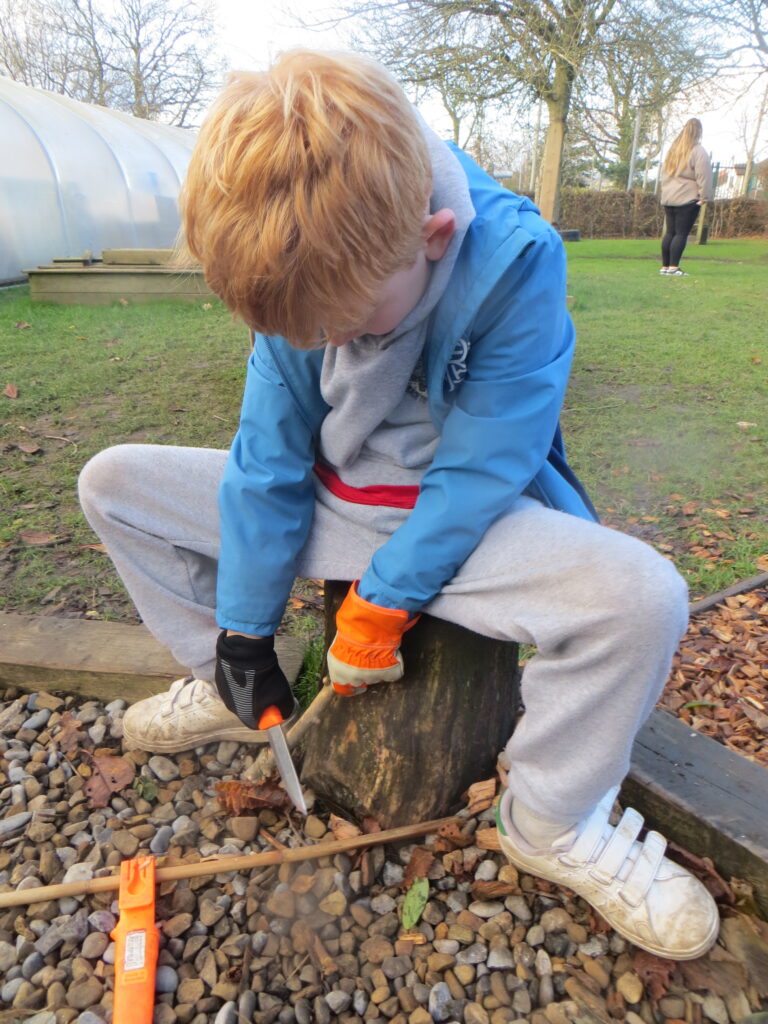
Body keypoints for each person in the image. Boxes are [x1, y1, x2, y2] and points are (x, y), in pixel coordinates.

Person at [78, 51, 719, 960]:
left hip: (470, 526)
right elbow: (266, 462)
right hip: (329, 504)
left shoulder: (516, 261)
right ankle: (228, 687)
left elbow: (484, 469)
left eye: (346, 325)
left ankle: (552, 818)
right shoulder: (309, 252)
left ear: (432, 235)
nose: (326, 346)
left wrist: (382, 602)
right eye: (301, 332)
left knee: (645, 598)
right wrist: (244, 631)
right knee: (112, 484)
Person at [659, 118, 713, 276]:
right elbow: (704, 175)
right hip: (687, 197)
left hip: (669, 197)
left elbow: (664, 174)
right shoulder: (697, 151)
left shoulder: (673, 151)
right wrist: (704, 196)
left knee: (670, 232)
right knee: (681, 233)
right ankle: (674, 267)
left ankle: (665, 266)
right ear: (698, 132)